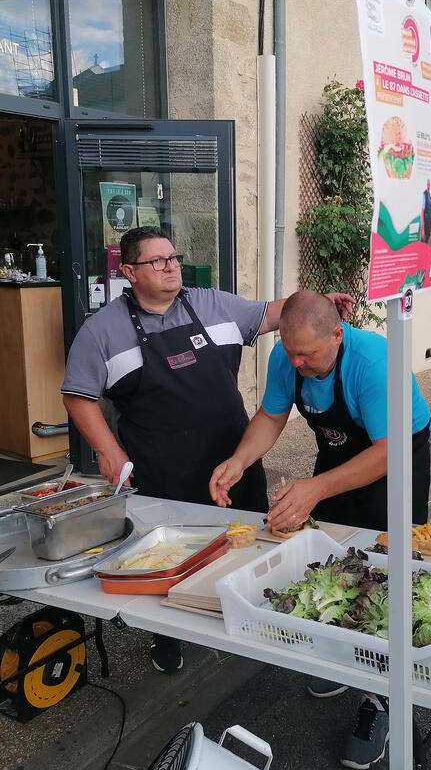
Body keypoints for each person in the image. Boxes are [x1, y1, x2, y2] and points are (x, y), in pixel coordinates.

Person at [62, 227, 353, 672]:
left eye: (173, 258)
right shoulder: (102, 330)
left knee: (248, 543)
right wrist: (107, 450)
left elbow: (277, 313)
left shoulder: (212, 304)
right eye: (156, 261)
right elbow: (78, 396)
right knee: (166, 555)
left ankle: (255, 615)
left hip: (230, 452)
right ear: (128, 272)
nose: (170, 267)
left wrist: (321, 303)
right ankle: (168, 636)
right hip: (162, 465)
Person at [210, 290, 431, 770]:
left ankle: (383, 702)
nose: (296, 361)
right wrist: (240, 460)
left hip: (395, 453)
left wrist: (313, 490)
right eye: (290, 351)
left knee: (386, 574)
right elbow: (271, 415)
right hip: (340, 451)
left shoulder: (374, 362)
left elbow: (387, 450)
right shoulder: (289, 355)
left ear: (337, 334)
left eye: (307, 354)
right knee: (333, 560)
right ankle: (344, 657)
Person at [422, 179, 431, 243]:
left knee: (428, 238)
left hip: (429, 221)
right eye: (427, 184)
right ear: (426, 185)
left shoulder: (429, 195)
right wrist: (423, 228)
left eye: (429, 184)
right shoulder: (424, 194)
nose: (428, 185)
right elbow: (422, 210)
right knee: (424, 239)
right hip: (425, 221)